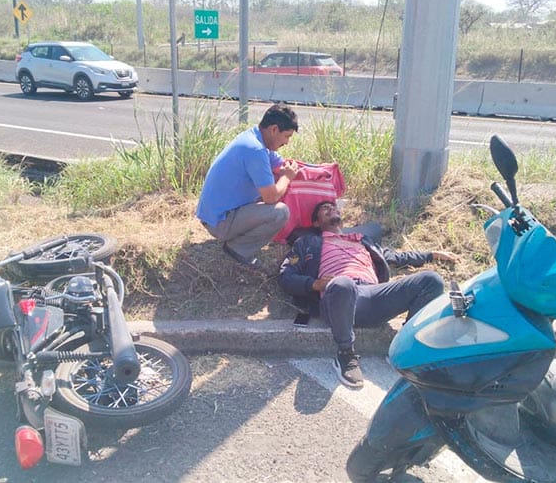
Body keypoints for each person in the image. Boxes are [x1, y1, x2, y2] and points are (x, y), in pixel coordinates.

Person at [279, 200, 459, 389]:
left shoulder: (362, 240)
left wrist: (432, 255)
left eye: (333, 206)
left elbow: (396, 257)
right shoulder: (308, 242)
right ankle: (345, 355)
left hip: (373, 294)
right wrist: (315, 284)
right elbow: (286, 277)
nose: (331, 208)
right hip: (338, 298)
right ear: (316, 222)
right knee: (343, 283)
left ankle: (403, 348)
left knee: (431, 280)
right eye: (325, 208)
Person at [197, 104, 300, 269]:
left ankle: (238, 241)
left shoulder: (254, 138)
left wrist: (289, 170)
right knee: (280, 212)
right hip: (220, 222)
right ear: (274, 129)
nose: (287, 142)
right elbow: (271, 197)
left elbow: (279, 163)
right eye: (287, 136)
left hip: (214, 215)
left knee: (272, 185)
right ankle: (239, 249)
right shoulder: (255, 150)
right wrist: (286, 177)